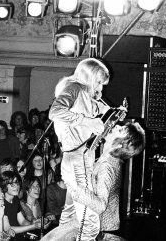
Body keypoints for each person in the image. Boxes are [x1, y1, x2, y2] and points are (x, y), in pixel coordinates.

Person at [41, 122, 145, 241]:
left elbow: (100, 205)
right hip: (93, 224)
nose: (116, 126)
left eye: (120, 130)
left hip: (97, 229)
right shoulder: (109, 159)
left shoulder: (107, 166)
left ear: (121, 144)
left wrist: (75, 187)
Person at [48, 58, 111, 241]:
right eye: (98, 82)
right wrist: (87, 121)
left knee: (69, 216)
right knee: (90, 221)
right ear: (89, 77)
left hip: (82, 157)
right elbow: (55, 112)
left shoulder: (86, 95)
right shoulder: (75, 87)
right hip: (76, 159)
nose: (100, 87)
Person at [1, 171, 46, 240]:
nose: (16, 187)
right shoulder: (2, 203)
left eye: (17, 183)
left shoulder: (15, 199)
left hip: (19, 236)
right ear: (4, 185)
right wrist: (33, 226)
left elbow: (22, 221)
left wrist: (34, 223)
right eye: (12, 184)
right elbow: (8, 229)